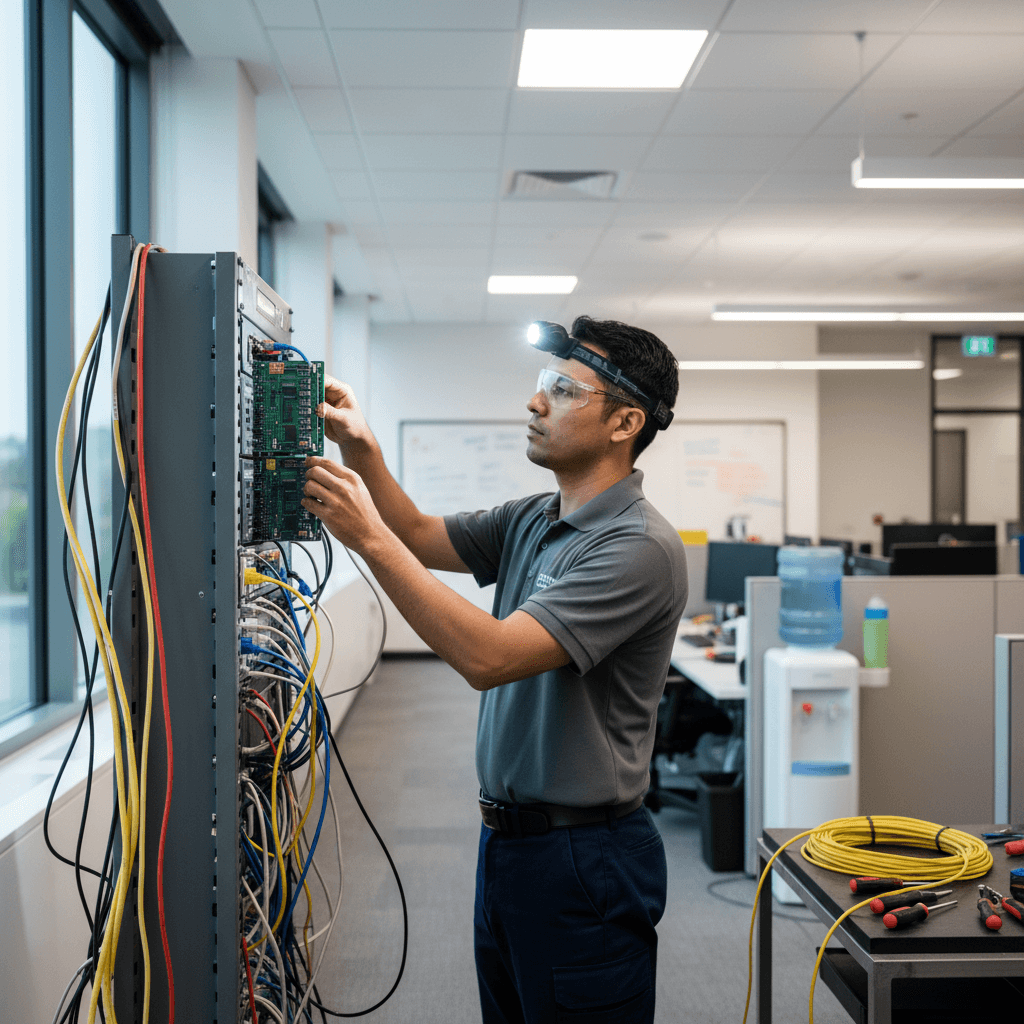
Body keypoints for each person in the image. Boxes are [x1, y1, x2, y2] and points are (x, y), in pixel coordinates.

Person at [302, 315, 688, 1024]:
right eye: (543, 385)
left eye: (566, 391)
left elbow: (489, 656)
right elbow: (418, 536)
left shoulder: (639, 547)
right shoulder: (534, 517)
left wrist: (366, 539)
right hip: (508, 845)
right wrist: (363, 452)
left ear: (624, 422)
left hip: (585, 855)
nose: (536, 403)